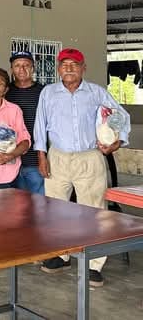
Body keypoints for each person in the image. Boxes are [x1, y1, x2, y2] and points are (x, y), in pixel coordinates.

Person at [34, 48, 130, 287]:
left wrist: (117, 142)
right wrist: (41, 155)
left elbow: (121, 117)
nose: (69, 68)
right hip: (57, 157)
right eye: (64, 64)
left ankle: (93, 265)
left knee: (94, 211)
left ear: (83, 68)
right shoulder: (48, 93)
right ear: (58, 69)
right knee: (55, 209)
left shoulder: (96, 92)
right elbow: (40, 124)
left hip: (90, 157)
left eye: (74, 64)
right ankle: (61, 255)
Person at [6, 51, 45, 195]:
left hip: (35, 160)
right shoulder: (5, 91)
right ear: (12, 69)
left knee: (40, 203)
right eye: (17, 65)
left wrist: (43, 158)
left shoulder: (44, 92)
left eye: (26, 65)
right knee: (15, 204)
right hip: (10, 160)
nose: (21, 69)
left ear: (33, 68)